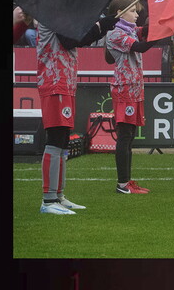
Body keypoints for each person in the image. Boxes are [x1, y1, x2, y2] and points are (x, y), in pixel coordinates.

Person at [36, 15, 118, 214]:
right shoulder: (52, 12)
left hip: (65, 82)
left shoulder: (60, 12)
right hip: (54, 81)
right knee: (56, 138)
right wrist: (99, 26)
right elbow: (70, 40)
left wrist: (100, 28)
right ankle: (48, 200)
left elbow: (77, 39)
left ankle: (58, 196)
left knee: (64, 140)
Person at [105, 0, 163, 194]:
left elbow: (144, 31)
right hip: (125, 89)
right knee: (125, 135)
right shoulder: (115, 33)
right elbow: (140, 46)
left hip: (134, 88)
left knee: (129, 137)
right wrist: (159, 33)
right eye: (133, 11)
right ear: (119, 13)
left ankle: (127, 181)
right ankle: (122, 183)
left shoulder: (129, 30)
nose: (137, 15)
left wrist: (164, 22)